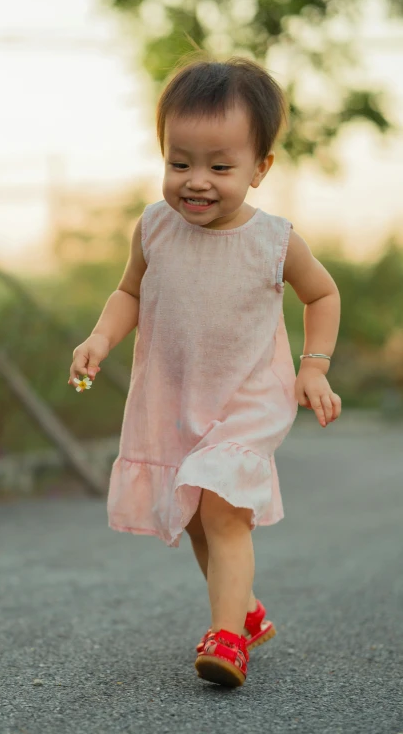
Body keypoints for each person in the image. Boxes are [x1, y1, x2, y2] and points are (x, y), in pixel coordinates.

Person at [68, 55, 341, 688]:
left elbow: (321, 295)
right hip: (173, 395)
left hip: (248, 396)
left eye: (220, 167)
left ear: (260, 167)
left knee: (222, 512)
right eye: (179, 162)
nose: (196, 181)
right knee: (194, 514)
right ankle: (243, 608)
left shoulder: (273, 240)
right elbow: (129, 293)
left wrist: (315, 367)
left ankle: (226, 638)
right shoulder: (155, 227)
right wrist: (100, 336)